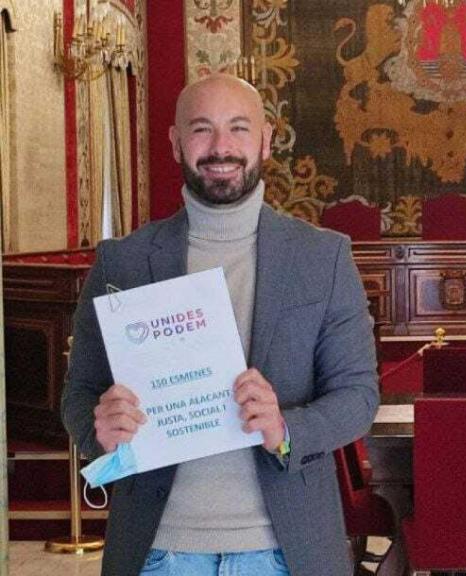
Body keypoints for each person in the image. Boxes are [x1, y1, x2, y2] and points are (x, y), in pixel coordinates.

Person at [61, 73, 380, 576]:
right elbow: (79, 395)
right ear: (175, 142)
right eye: (202, 129)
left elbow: (358, 397)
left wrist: (285, 428)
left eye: (238, 128)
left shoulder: (324, 258)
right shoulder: (122, 262)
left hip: (287, 552)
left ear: (266, 140)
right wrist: (99, 430)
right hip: (158, 552)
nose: (220, 147)